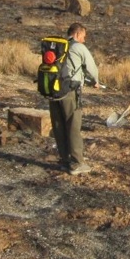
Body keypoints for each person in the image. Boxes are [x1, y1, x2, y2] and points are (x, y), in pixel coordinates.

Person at [49, 22, 101, 175]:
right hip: (70, 91)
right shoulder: (78, 47)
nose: (84, 40)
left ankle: (65, 160)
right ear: (77, 34)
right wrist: (96, 81)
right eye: (83, 36)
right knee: (73, 125)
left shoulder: (57, 46)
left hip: (53, 90)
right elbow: (91, 67)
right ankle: (77, 162)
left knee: (58, 125)